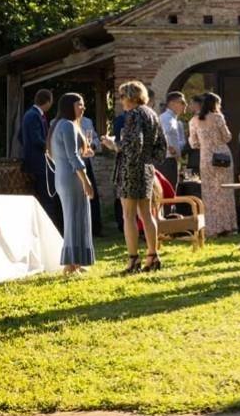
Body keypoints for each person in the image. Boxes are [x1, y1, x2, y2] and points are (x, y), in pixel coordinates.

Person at [113, 81, 167, 273]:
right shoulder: (152, 114)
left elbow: (134, 143)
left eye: (121, 97)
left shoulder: (134, 115)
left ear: (129, 97)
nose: (120, 101)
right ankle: (153, 256)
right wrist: (149, 159)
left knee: (128, 215)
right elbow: (162, 147)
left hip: (131, 168)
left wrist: (116, 146)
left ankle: (133, 260)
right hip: (147, 167)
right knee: (147, 214)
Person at [49, 93, 94, 275]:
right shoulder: (67, 125)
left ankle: (75, 262)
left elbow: (55, 154)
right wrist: (87, 181)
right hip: (71, 179)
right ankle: (69, 264)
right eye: (79, 105)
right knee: (74, 219)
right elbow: (72, 156)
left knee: (75, 218)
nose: (83, 108)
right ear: (70, 106)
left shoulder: (59, 125)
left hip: (63, 176)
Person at [187, 93, 236, 238]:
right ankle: (227, 226)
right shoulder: (218, 117)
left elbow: (193, 143)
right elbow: (227, 137)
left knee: (209, 193)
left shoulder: (194, 120)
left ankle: (211, 228)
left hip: (206, 157)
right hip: (223, 156)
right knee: (225, 191)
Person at [19, 88, 60, 228]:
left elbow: (20, 136)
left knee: (44, 196)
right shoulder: (34, 115)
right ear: (47, 101)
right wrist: (52, 147)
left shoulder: (31, 114)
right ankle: (50, 227)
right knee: (47, 196)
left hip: (35, 160)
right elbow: (37, 140)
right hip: (39, 163)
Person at [79, 112, 104, 238]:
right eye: (80, 105)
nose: (83, 108)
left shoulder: (87, 121)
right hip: (72, 164)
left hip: (87, 161)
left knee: (92, 194)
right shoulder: (62, 122)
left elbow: (95, 138)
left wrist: (93, 145)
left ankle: (95, 228)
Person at [159, 91, 187, 186]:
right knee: (169, 194)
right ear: (172, 103)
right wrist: (172, 149)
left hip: (170, 161)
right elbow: (165, 136)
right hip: (167, 161)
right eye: (182, 102)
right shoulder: (167, 118)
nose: (185, 105)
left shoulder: (174, 120)